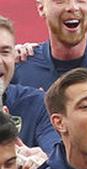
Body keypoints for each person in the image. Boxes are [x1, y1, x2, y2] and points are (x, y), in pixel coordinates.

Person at [10, 0, 87, 104]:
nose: (72, 7)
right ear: (41, 8)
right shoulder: (19, 68)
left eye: (81, 0)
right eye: (60, 0)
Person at [0, 16, 58, 155]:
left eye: (5, 52)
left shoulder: (38, 104)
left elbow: (57, 154)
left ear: (15, 55)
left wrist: (44, 160)